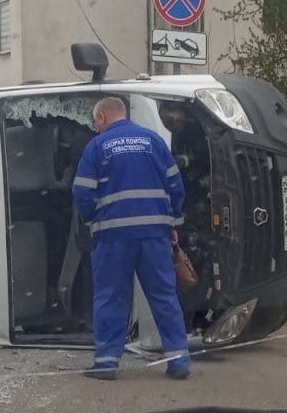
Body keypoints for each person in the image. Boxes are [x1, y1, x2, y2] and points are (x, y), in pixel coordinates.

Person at [72, 96, 190, 381]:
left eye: (95, 121)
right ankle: (179, 362)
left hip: (114, 236)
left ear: (101, 118)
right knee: (164, 296)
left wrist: (92, 220)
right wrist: (173, 221)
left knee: (111, 297)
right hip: (155, 235)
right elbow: (176, 185)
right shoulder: (154, 141)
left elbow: (82, 192)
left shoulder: (97, 146)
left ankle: (107, 364)